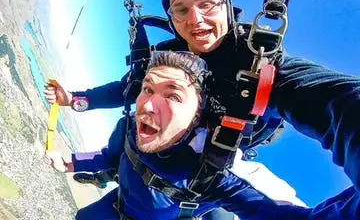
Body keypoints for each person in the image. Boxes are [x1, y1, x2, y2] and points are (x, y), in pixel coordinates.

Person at [47, 51, 313, 219]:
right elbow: (109, 157)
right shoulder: (129, 126)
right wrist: (71, 162)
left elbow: (276, 209)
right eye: (148, 89)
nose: (148, 105)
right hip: (111, 209)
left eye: (173, 96)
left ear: (197, 113)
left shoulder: (214, 169)